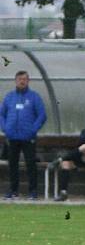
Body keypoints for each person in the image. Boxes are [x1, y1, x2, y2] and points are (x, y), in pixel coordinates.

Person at [0, 70, 47, 200]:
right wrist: (5, 128)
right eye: (20, 79)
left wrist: (33, 130)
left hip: (28, 137)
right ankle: (13, 191)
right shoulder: (9, 97)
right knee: (12, 164)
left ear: (28, 81)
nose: (22, 81)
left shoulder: (34, 97)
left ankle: (32, 192)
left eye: (25, 79)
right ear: (15, 81)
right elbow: (1, 114)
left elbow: (42, 115)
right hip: (12, 137)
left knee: (30, 164)